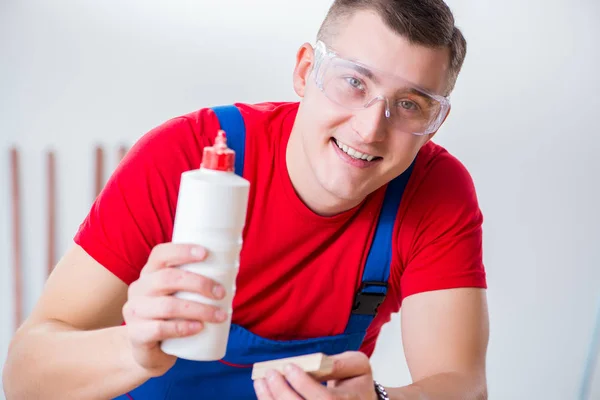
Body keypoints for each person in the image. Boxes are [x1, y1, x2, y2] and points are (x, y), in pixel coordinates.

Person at [2, 0, 490, 399]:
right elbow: (25, 376)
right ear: (305, 72)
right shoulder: (182, 157)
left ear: (435, 123)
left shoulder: (435, 194)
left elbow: (462, 386)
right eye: (354, 82)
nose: (369, 128)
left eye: (409, 104)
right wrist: (132, 350)